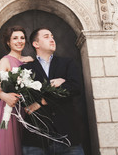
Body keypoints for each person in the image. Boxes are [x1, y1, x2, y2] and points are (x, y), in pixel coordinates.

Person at [21, 27, 85, 155]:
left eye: (52, 36)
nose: (52, 39)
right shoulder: (25, 69)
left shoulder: (67, 63)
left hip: (68, 137)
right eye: (46, 36)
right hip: (36, 140)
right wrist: (62, 85)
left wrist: (41, 102)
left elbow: (76, 87)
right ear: (36, 44)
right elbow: (26, 99)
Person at [0, 25, 33, 155]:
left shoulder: (30, 60)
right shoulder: (4, 61)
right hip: (8, 110)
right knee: (9, 147)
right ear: (8, 42)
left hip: (26, 110)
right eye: (15, 38)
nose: (19, 41)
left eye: (22, 38)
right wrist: (6, 97)